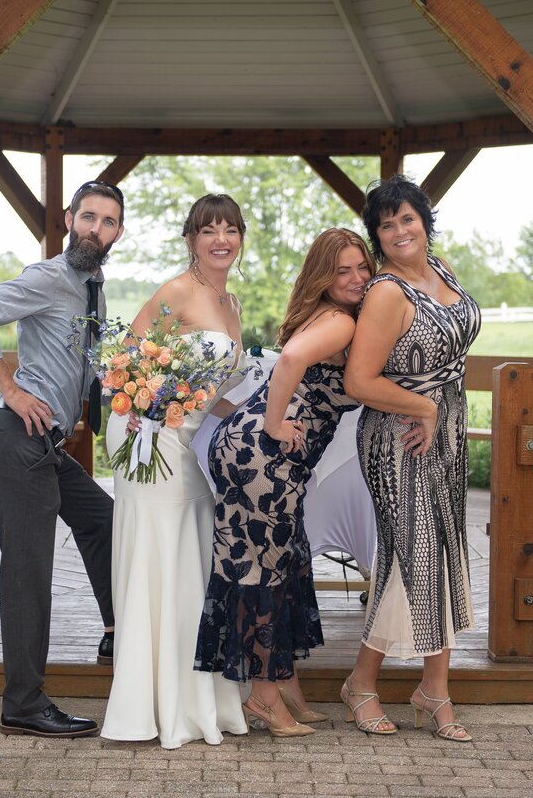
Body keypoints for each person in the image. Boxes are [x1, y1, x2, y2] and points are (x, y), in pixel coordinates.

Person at [0, 181, 124, 738]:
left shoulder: (90, 287)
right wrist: (11, 387)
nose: (95, 229)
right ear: (69, 219)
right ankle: (23, 703)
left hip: (46, 443)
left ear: (117, 233)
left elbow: (92, 365)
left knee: (103, 519)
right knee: (29, 570)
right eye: (88, 217)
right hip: (17, 433)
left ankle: (114, 626)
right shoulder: (49, 277)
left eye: (107, 222)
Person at [195, 228, 374, 737]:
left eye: (362, 267)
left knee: (288, 561)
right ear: (324, 275)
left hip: (255, 452)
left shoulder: (331, 313)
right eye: (343, 270)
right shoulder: (339, 321)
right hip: (263, 455)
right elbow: (292, 360)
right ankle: (265, 700)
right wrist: (275, 426)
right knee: (264, 572)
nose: (357, 277)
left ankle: (287, 687)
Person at [100, 194, 251, 749]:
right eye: (208, 229)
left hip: (192, 446)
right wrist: (156, 412)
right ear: (191, 239)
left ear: (239, 238)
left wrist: (255, 422)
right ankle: (152, 706)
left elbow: (211, 392)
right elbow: (125, 364)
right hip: (150, 441)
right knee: (160, 558)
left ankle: (197, 701)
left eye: (230, 229)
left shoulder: (230, 304)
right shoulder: (177, 292)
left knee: (193, 559)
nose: (220, 239)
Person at [342, 175, 481, 741]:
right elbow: (359, 380)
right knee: (411, 557)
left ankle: (432, 691)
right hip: (397, 435)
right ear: (377, 235)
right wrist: (423, 406)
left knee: (443, 552)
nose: (399, 230)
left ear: (425, 221)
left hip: (443, 427)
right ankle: (365, 684)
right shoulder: (387, 292)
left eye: (407, 219)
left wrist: (439, 412)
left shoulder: (440, 270)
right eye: (386, 223)